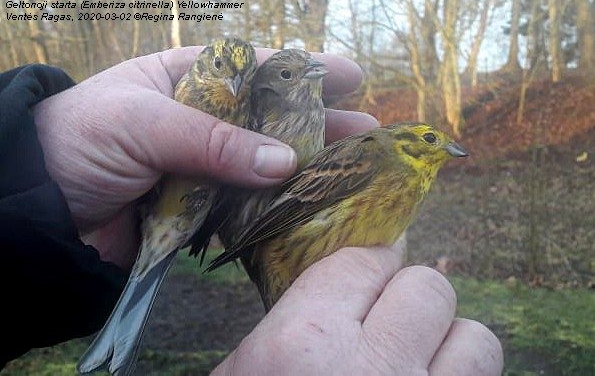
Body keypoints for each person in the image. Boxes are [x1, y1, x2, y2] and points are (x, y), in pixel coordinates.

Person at [0, 47, 503, 374]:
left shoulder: (338, 132)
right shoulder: (326, 137)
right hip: (240, 221)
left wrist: (30, 181)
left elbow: (298, 190)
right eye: (288, 72)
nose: (309, 76)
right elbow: (282, 200)